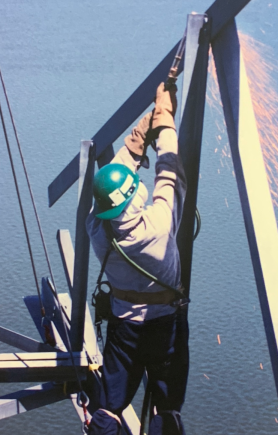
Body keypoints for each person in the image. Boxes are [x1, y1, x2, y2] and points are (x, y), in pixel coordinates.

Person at [86, 81, 189, 435]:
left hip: (124, 328)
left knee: (110, 407)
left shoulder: (98, 230)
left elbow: (108, 183)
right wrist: (164, 122)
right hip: (165, 327)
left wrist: (139, 135)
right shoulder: (159, 225)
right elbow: (170, 170)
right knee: (167, 405)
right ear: (133, 195)